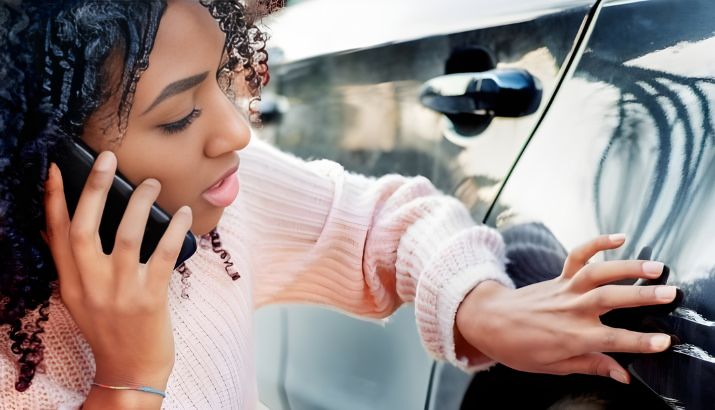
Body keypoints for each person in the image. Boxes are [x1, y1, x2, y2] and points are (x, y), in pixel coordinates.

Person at [0, 0, 679, 408]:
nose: (237, 132)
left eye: (221, 81)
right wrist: (126, 382)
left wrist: (482, 305)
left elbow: (379, 222)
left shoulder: (212, 206)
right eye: (180, 116)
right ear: (43, 156)